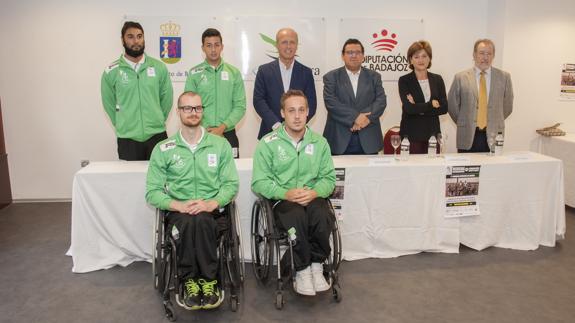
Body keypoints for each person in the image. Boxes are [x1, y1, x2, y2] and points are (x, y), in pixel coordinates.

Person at [146, 91, 239, 310]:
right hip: (179, 212)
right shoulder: (163, 149)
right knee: (189, 222)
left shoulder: (220, 145)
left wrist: (211, 203)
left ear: (202, 111)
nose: (193, 112)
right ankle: (188, 281)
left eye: (197, 108)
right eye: (187, 108)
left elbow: (230, 185)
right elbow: (152, 191)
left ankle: (208, 281)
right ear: (178, 112)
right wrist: (178, 205)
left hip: (213, 210)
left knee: (203, 220)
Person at [251, 90, 336, 296]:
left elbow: (329, 179)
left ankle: (316, 264)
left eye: (301, 110)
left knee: (321, 214)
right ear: (282, 113)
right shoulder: (267, 143)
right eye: (291, 111)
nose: (297, 116)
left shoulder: (319, 142)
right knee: (296, 214)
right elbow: (259, 182)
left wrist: (315, 192)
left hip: (312, 197)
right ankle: (302, 270)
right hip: (284, 201)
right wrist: (285, 193)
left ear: (308, 112)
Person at [101, 21, 173, 160]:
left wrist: (156, 119)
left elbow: (167, 99)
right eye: (130, 37)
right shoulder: (111, 71)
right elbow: (108, 103)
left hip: (156, 136)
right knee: (129, 181)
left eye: (139, 36)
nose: (136, 41)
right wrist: (123, 123)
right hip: (128, 139)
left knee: (159, 181)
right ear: (122, 40)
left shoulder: (159, 67)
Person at [185, 28, 246, 158]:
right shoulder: (194, 73)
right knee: (202, 174)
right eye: (209, 45)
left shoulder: (233, 73)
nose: (213, 49)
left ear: (222, 47)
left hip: (228, 133)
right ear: (203, 48)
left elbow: (240, 106)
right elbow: (189, 106)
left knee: (231, 174)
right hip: (201, 133)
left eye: (216, 45)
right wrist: (205, 128)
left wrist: (222, 128)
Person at [448, 39, 514, 152]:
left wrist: (494, 120)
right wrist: (464, 121)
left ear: (493, 56)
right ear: (474, 55)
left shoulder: (504, 77)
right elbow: (452, 106)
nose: (485, 57)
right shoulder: (460, 77)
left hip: (493, 135)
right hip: (467, 134)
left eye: (489, 54)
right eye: (482, 53)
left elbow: (507, 107)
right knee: (467, 169)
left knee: (492, 169)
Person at [323, 39, 387, 155]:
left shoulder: (374, 77)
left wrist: (365, 119)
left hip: (369, 138)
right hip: (339, 139)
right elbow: (331, 103)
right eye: (349, 52)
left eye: (358, 52)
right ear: (343, 56)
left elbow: (381, 101)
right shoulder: (331, 77)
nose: (354, 56)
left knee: (370, 174)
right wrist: (356, 117)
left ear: (363, 56)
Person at [253, 27, 317, 139]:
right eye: (284, 42)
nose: (288, 46)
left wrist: (294, 126)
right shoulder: (264, 71)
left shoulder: (306, 72)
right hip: (270, 132)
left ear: (297, 45)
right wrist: (276, 125)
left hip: (298, 135)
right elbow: (259, 101)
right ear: (277, 45)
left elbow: (311, 104)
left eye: (292, 42)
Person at [398, 40, 448, 154]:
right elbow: (409, 109)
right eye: (416, 57)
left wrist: (418, 107)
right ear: (411, 59)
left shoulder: (437, 79)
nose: (421, 60)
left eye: (424, 56)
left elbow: (444, 108)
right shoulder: (404, 80)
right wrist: (431, 105)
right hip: (411, 135)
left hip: (433, 134)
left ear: (429, 58)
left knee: (434, 170)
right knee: (411, 170)